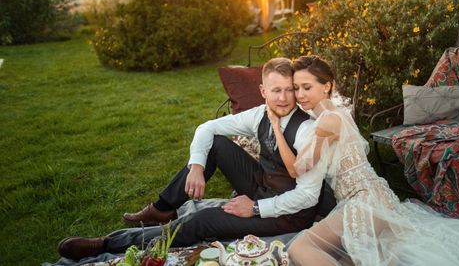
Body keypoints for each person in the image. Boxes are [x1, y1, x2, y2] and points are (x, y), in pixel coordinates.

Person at [57, 57, 335, 260]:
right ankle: (164, 207)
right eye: (276, 91)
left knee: (201, 221)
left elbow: (308, 198)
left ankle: (108, 243)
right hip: (264, 184)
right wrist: (197, 167)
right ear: (263, 92)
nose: (284, 98)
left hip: (288, 212)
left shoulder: (308, 130)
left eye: (290, 90)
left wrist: (255, 209)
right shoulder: (261, 113)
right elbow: (207, 128)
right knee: (215, 144)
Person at [269, 55, 459, 265]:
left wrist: (276, 129)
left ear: (326, 86)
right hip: (377, 198)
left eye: (306, 87)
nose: (300, 95)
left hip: (364, 201)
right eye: (296, 88)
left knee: (301, 247)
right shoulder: (334, 115)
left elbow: (296, 168)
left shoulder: (328, 121)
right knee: (377, 258)